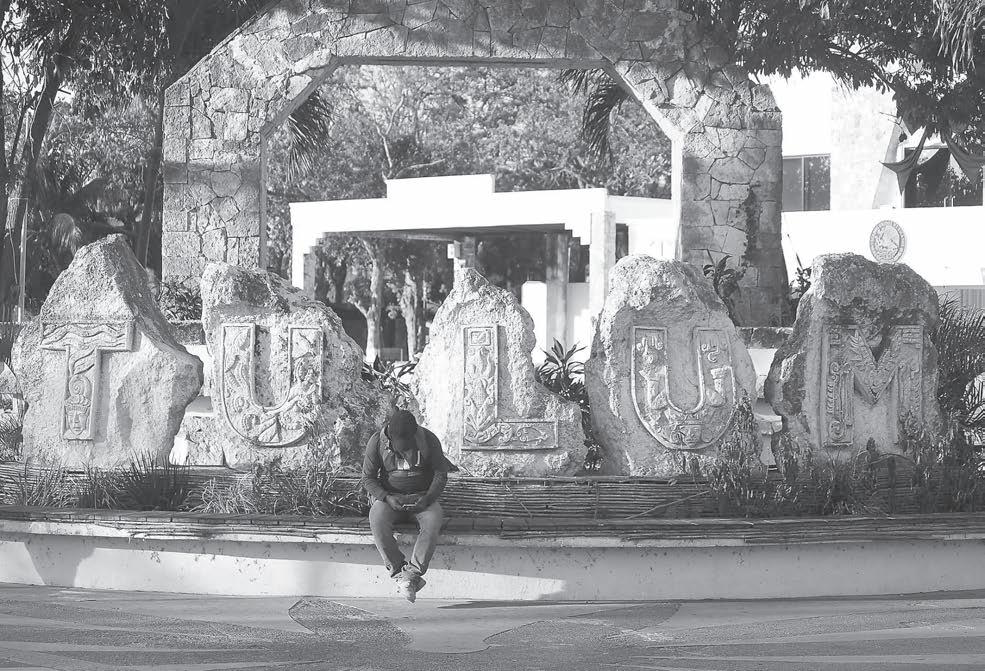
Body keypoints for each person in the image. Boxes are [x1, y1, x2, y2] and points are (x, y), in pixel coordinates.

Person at [361, 409, 455, 602]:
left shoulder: (429, 439)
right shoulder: (376, 442)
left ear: (415, 434)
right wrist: (386, 497)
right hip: (390, 498)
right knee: (376, 518)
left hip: (422, 498)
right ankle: (398, 571)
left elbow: (440, 475)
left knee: (433, 520)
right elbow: (368, 478)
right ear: (390, 436)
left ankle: (412, 574)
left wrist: (427, 499)